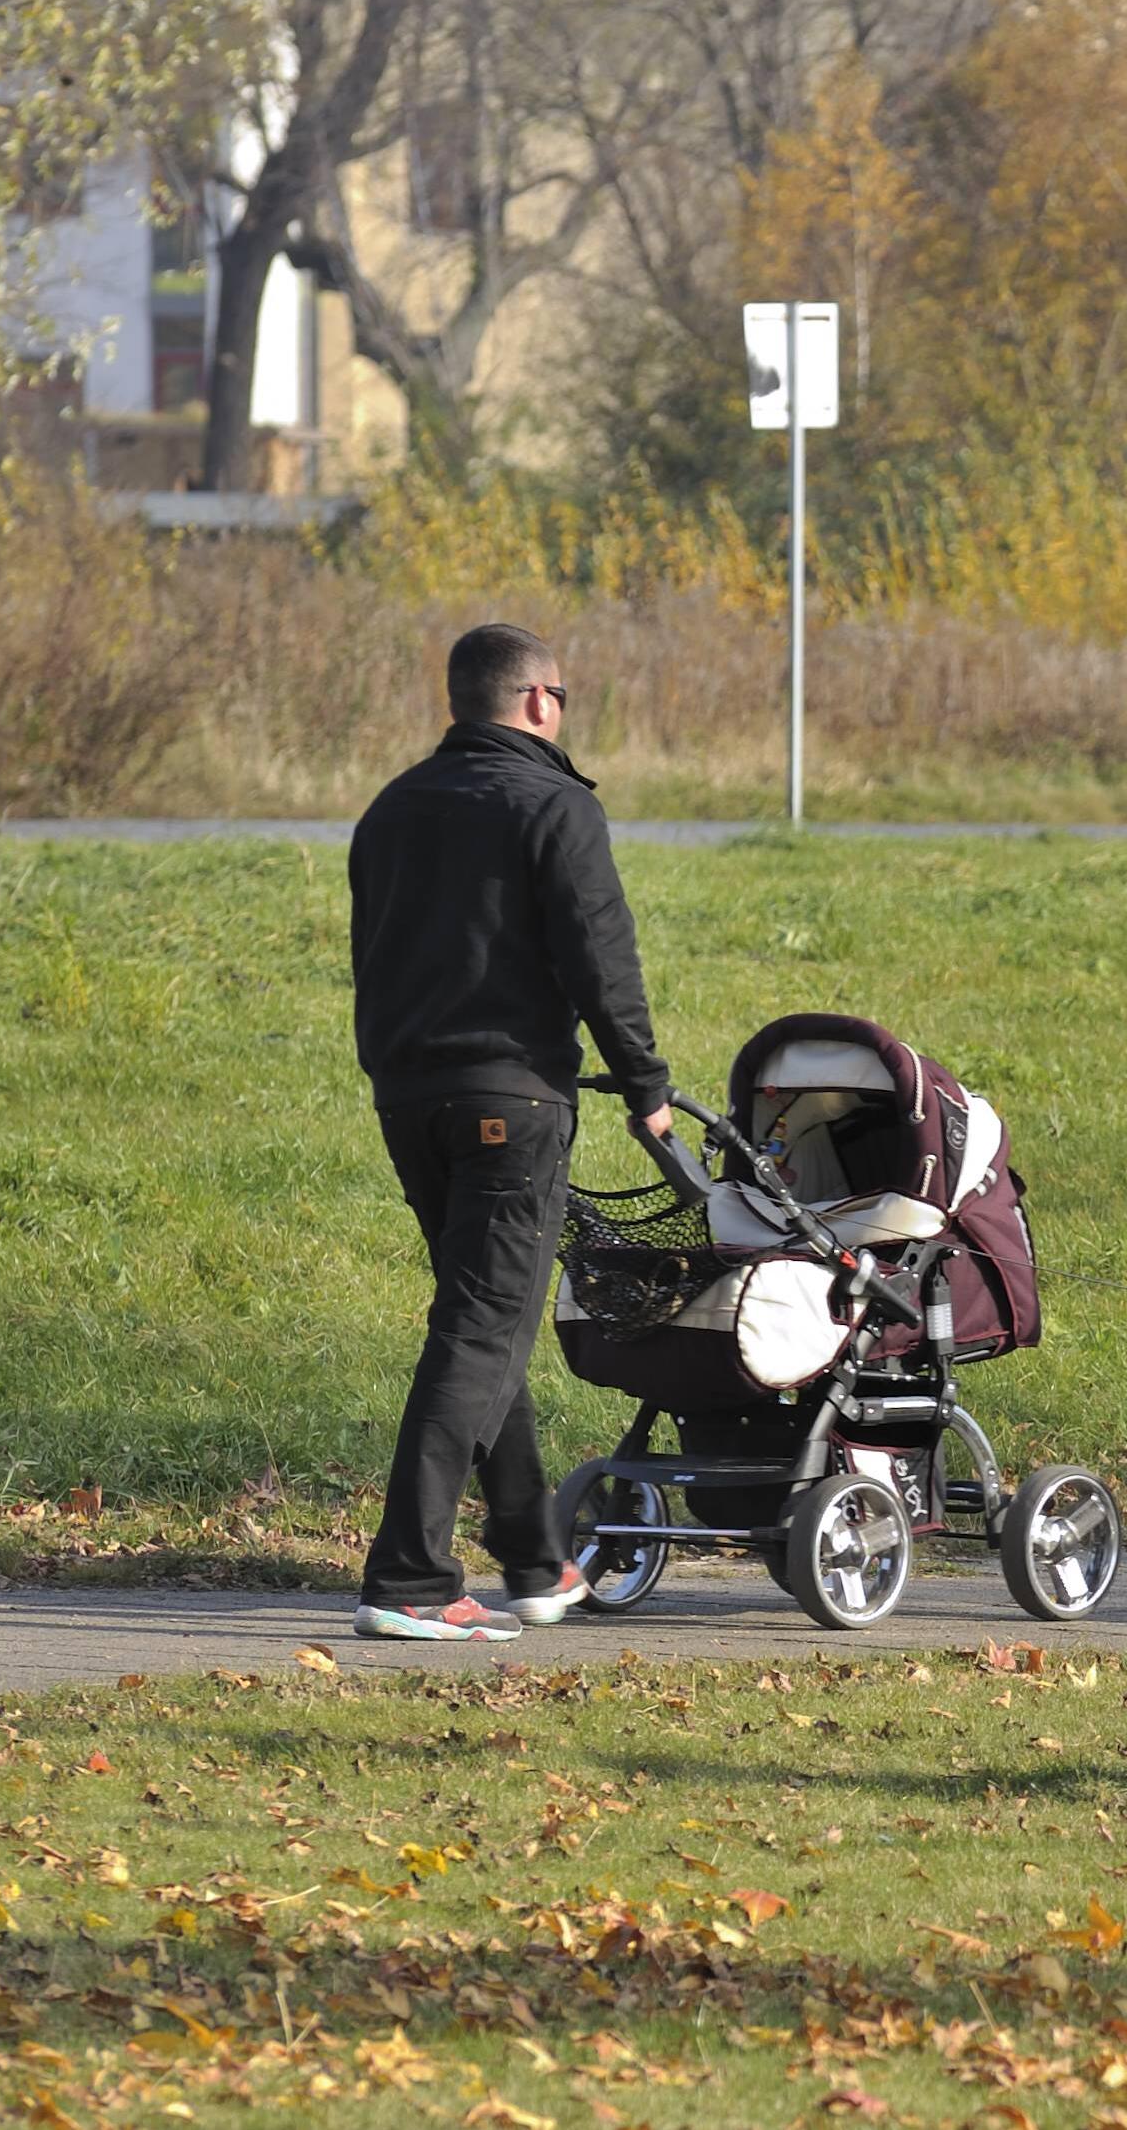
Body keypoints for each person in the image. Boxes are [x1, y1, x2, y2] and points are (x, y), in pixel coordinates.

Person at [346, 624, 673, 1641]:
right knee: (482, 1328)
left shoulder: (391, 807)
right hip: (513, 1100)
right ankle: (407, 1574)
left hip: (409, 1096)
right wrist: (645, 1086)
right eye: (564, 696)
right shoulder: (554, 803)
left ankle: (537, 1561)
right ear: (537, 700)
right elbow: (598, 954)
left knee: (483, 1322)